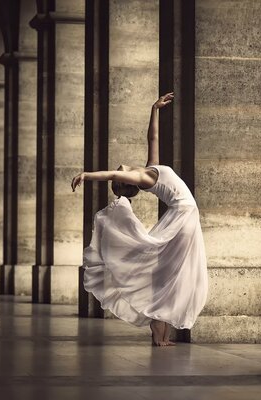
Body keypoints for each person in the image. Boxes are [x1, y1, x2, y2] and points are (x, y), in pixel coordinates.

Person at [71, 92, 208, 347]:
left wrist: (154, 109)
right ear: (126, 181)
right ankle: (159, 327)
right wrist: (87, 175)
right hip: (183, 214)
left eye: (118, 173)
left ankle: (162, 330)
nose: (118, 169)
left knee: (170, 271)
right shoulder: (144, 179)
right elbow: (112, 172)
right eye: (118, 176)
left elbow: (152, 138)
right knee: (168, 271)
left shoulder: (150, 168)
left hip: (184, 215)